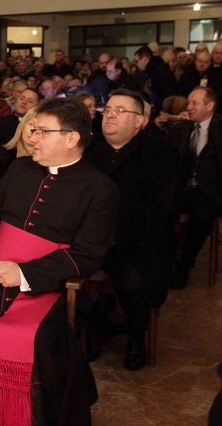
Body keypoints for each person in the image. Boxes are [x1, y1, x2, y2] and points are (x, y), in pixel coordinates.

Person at [0, 97, 119, 426]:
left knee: (36, 343)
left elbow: (87, 254)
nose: (32, 138)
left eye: (42, 131)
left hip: (44, 286)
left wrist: (26, 273)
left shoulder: (100, 189)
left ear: (71, 138)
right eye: (33, 130)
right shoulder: (20, 168)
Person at [83, 89, 175, 371]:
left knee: (133, 281)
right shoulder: (87, 147)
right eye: (107, 109)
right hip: (90, 237)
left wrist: (116, 237)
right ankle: (97, 328)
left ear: (141, 121)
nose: (110, 114)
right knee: (58, 271)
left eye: (121, 110)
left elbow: (160, 208)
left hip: (138, 239)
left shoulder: (160, 152)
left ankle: (136, 337)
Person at [170, 86, 222, 289]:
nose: (188, 107)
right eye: (188, 102)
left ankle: (183, 267)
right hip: (182, 189)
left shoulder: (219, 127)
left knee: (202, 216)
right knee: (164, 211)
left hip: (210, 193)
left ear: (210, 106)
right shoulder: (180, 129)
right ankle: (164, 263)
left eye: (194, 103)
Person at [0, 106, 38, 194]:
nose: (33, 130)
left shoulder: (44, 162)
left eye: (39, 128)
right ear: (22, 125)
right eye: (31, 124)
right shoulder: (3, 154)